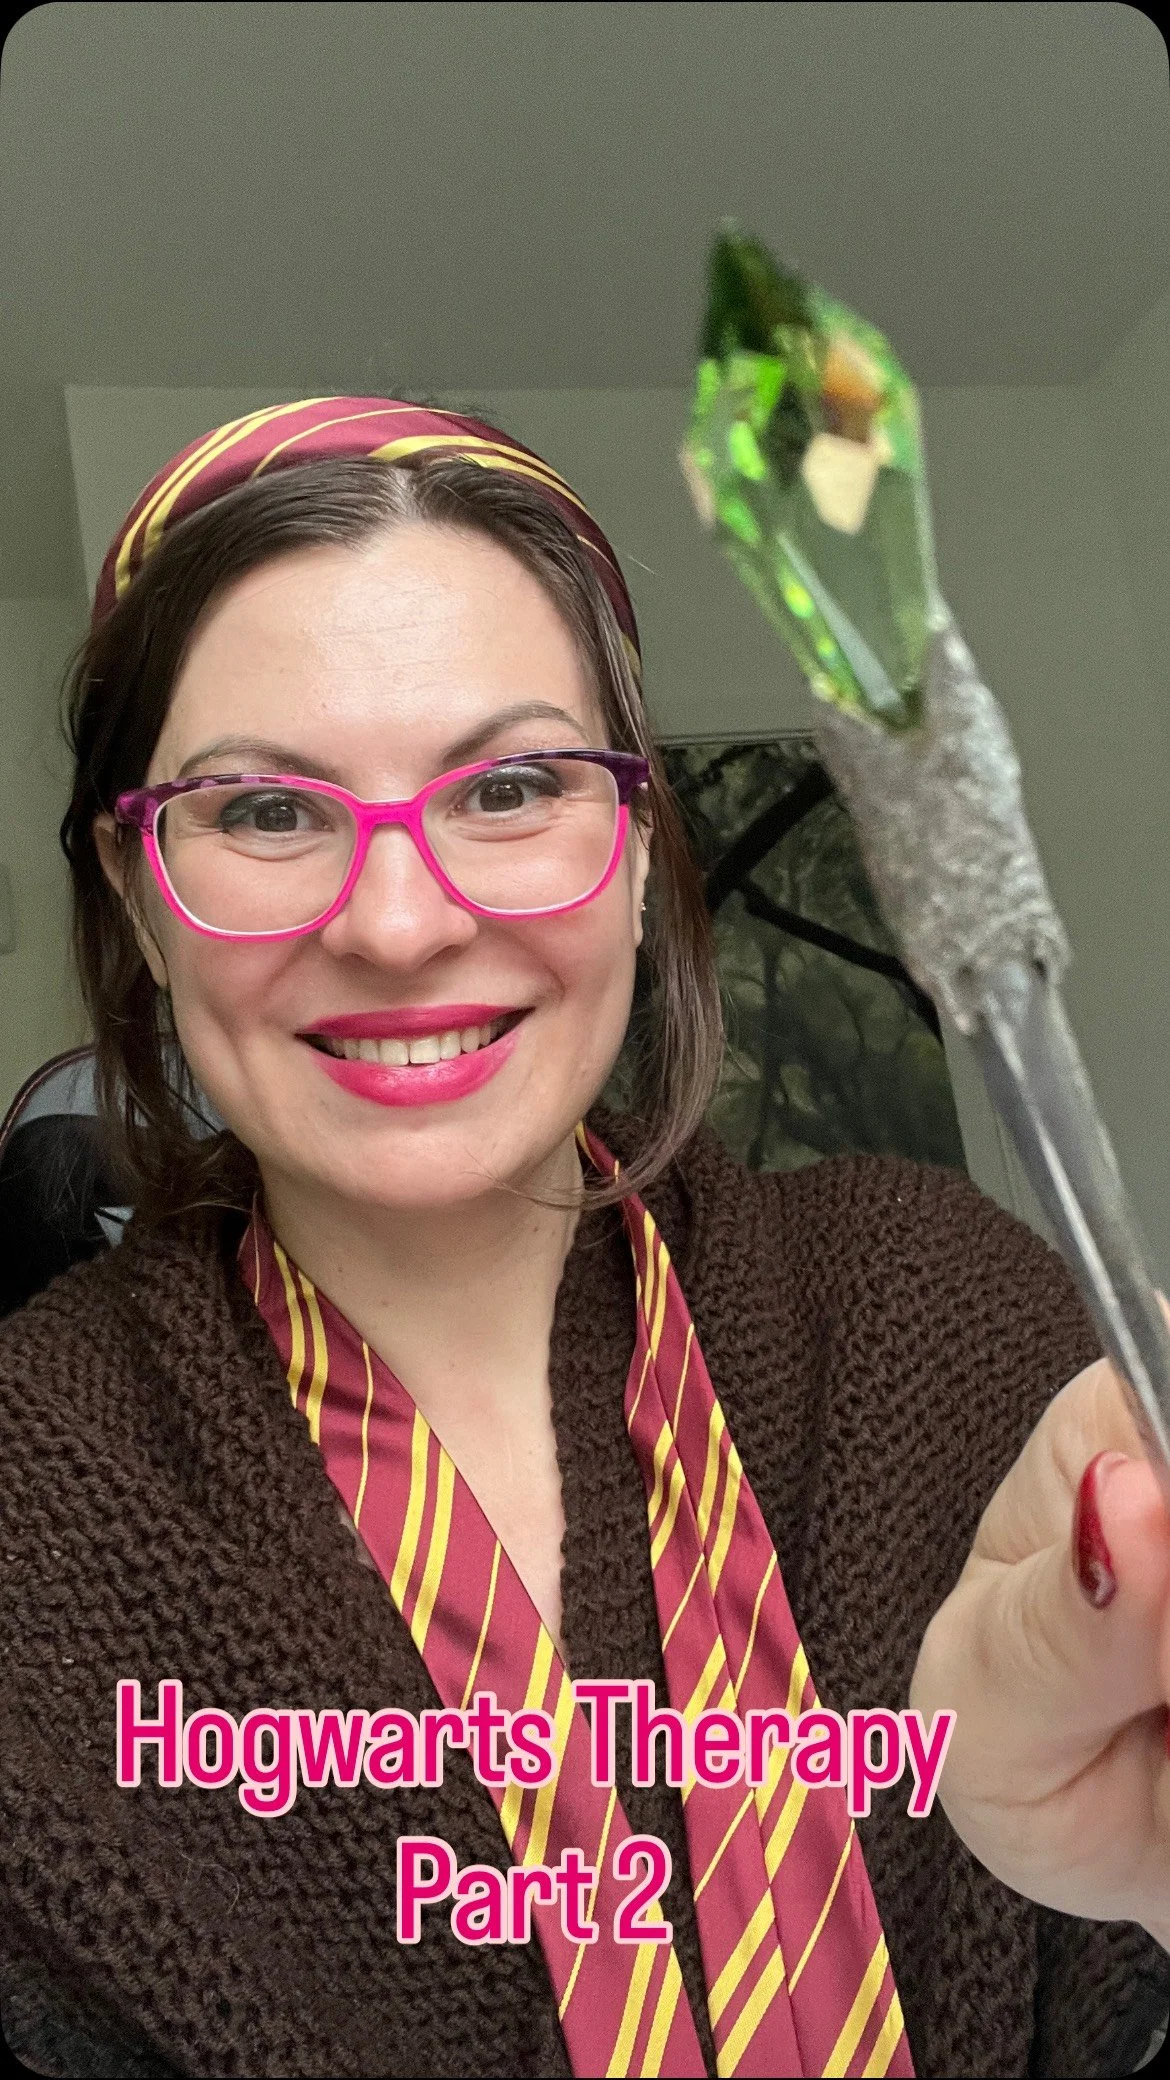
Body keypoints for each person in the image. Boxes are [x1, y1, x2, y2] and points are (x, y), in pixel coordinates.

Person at [0, 397, 1166, 2080]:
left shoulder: (941, 1310)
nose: (398, 922)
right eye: (263, 813)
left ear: (631, 852)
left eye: (510, 787)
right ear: (136, 893)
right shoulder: (30, 1501)